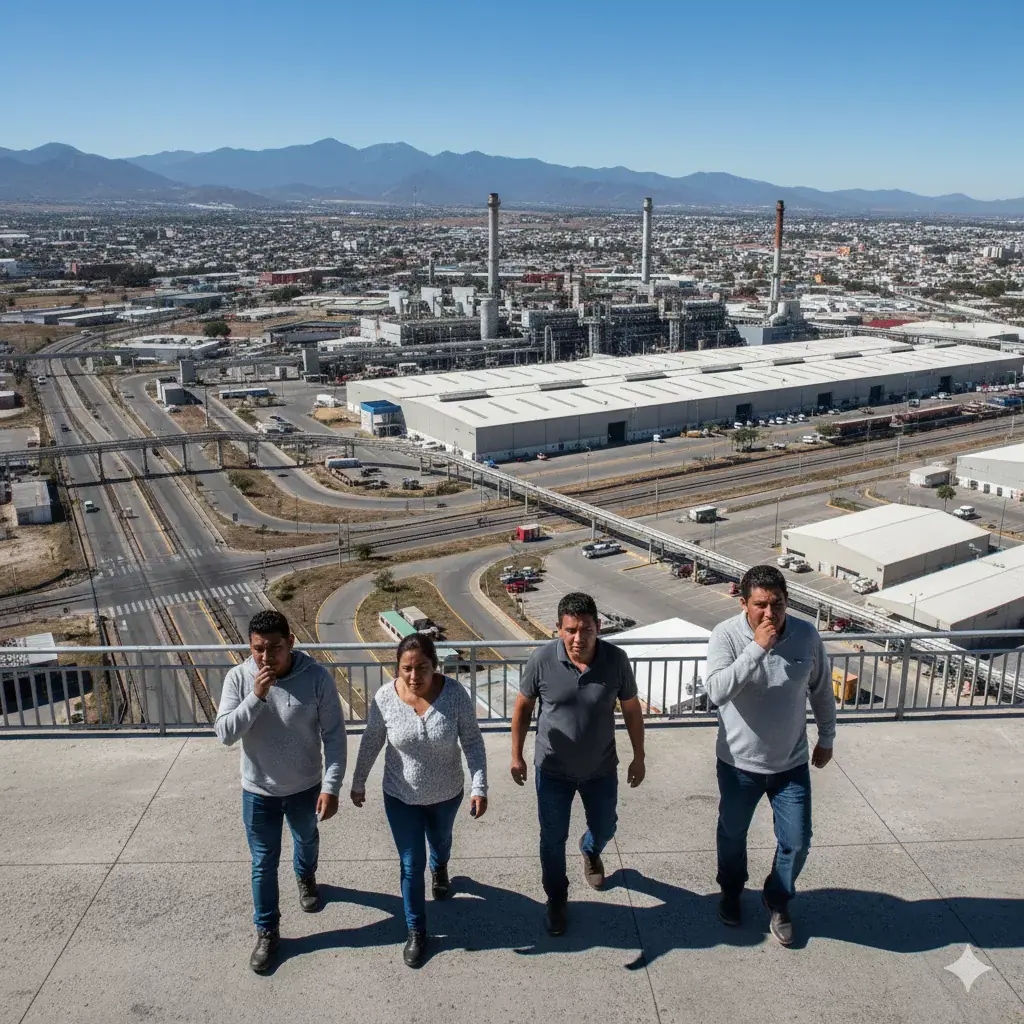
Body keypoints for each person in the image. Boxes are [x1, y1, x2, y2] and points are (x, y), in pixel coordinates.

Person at [705, 564, 836, 947]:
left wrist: (827, 737)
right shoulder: (726, 635)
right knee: (732, 835)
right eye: (760, 605)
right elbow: (717, 691)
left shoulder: (806, 635)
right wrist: (757, 648)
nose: (769, 613)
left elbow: (821, 690)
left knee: (798, 840)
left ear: (787, 602)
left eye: (777, 604)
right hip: (738, 765)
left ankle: (777, 898)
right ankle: (731, 891)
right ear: (744, 604)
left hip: (790, 764)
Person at [215, 609, 347, 973]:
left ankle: (306, 876)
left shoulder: (317, 678)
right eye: (258, 648)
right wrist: (256, 696)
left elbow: (335, 736)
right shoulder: (238, 678)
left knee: (306, 838)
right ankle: (268, 931)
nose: (266, 656)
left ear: (290, 642)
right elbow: (225, 734)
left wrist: (332, 786)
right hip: (258, 791)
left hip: (305, 787)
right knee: (263, 862)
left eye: (274, 647)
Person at [511, 591, 645, 937]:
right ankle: (556, 898)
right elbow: (523, 707)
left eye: (586, 629)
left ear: (598, 627)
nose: (578, 638)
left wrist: (639, 757)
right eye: (570, 630)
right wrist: (517, 755)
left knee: (606, 826)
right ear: (558, 629)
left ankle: (591, 849)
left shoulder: (616, 660)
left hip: (601, 768)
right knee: (552, 838)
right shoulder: (541, 660)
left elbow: (632, 710)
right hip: (552, 770)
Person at [351, 633, 487, 968]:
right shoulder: (385, 697)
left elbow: (472, 741)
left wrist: (479, 786)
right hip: (400, 796)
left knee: (440, 843)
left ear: (435, 666)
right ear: (397, 668)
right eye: (406, 669)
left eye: (422, 668)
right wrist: (358, 781)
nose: (414, 676)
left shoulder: (455, 695)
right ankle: (416, 930)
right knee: (411, 864)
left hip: (446, 794)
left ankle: (440, 867)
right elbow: (372, 740)